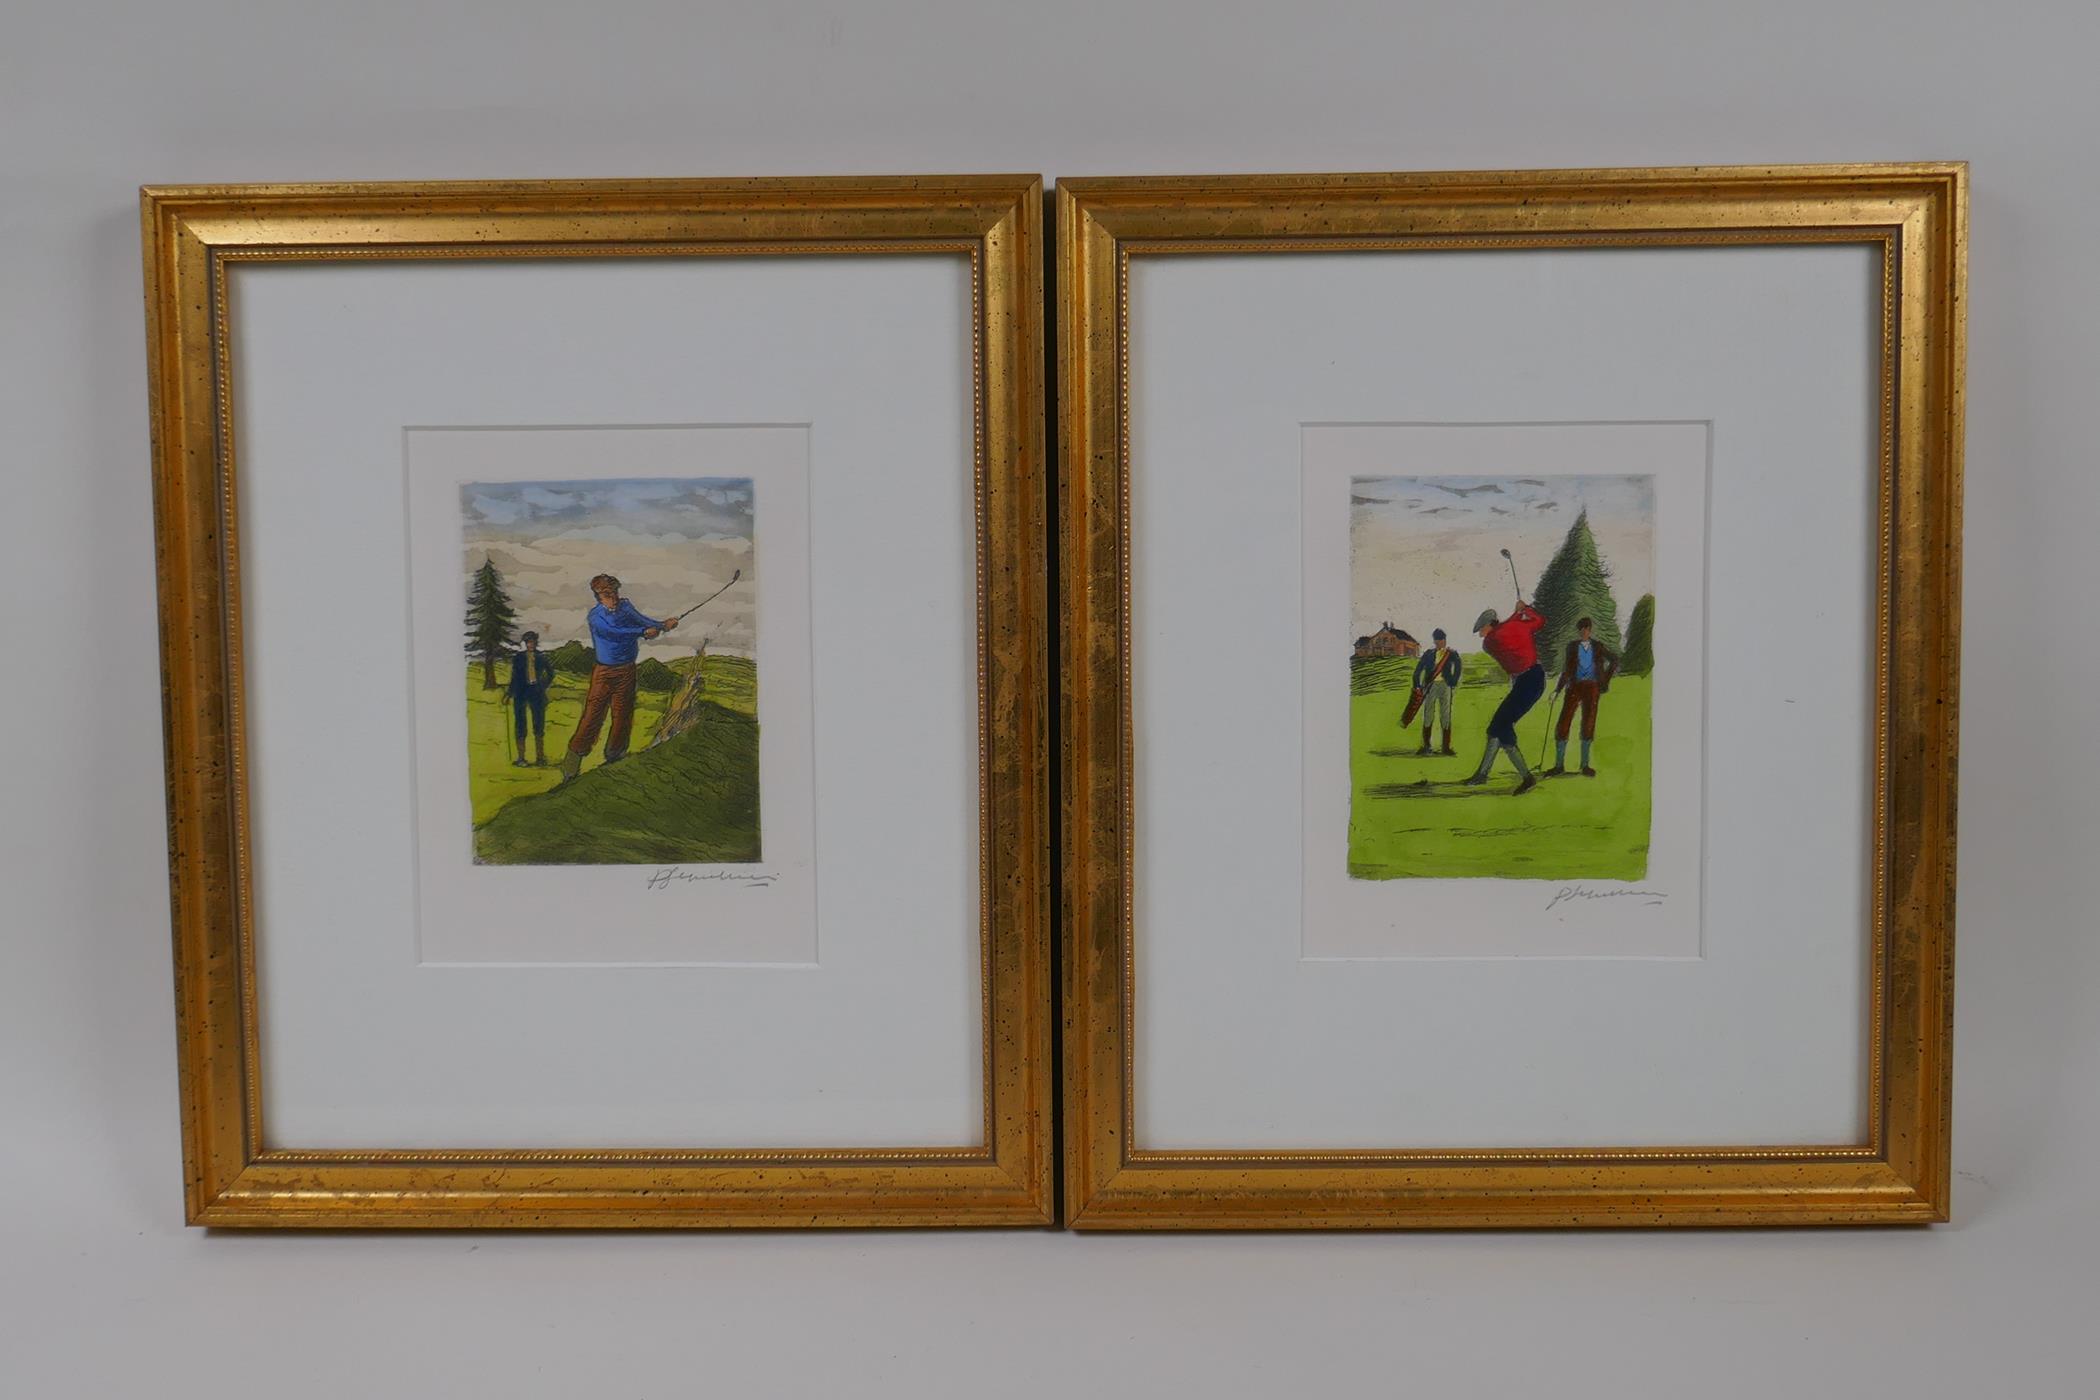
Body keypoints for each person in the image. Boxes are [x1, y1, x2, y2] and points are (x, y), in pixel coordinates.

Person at [557, 573, 676, 783]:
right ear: (598, 596)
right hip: (604, 673)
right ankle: (571, 766)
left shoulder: (625, 607)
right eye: (607, 594)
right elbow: (615, 632)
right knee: (593, 716)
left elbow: (643, 621)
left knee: (623, 714)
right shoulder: (595, 617)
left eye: (614, 592)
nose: (612, 596)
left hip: (627, 670)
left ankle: (615, 757)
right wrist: (643, 631)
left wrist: (662, 625)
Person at [1463, 597, 1547, 794]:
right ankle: (1483, 774)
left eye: (1481, 630)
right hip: (1534, 678)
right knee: (1496, 728)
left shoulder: (1490, 642)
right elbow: (1540, 621)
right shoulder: (1518, 624)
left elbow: (1503, 632)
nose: (1481, 635)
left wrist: (1517, 613)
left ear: (1489, 626)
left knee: (1500, 727)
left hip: (1527, 682)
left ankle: (1526, 777)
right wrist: (1523, 609)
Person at [1548, 617, 1619, 777]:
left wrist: (1604, 679)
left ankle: (1585, 765)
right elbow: (1567, 670)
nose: (1584, 632)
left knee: (1588, 723)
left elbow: (1614, 660)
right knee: (1564, 722)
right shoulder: (1572, 647)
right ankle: (1559, 765)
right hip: (1574, 687)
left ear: (1590, 630)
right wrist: (1557, 690)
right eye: (1581, 629)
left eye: (1586, 629)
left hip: (1592, 687)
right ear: (1579, 631)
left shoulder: (1598, 646)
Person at [506, 630, 555, 767]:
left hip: (536, 693)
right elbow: (514, 678)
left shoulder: (542, 657)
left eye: (533, 642)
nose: (531, 644)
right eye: (528, 642)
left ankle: (540, 758)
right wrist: (509, 693)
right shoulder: (518, 658)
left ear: (536, 643)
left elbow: (551, 674)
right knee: (520, 725)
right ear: (525, 643)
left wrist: (542, 686)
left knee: (538, 725)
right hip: (521, 693)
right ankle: (521, 758)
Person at [1411, 627, 1462, 755]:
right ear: (1434, 641)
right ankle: (1427, 746)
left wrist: (1453, 681)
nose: (1439, 643)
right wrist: (1417, 684)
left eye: (1441, 640)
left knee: (1445, 715)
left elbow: (1458, 667)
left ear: (1444, 640)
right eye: (1437, 641)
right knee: (1428, 714)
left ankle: (1446, 748)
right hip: (1430, 686)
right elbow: (1418, 670)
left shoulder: (1452, 654)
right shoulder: (1428, 654)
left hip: (1445, 686)